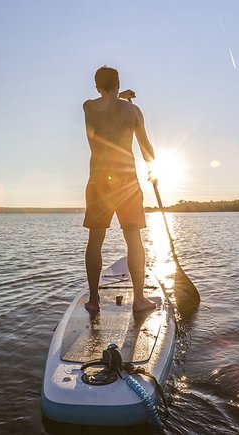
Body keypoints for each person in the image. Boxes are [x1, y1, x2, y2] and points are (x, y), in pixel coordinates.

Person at [82, 66, 157, 314]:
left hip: (98, 182)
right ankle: (139, 300)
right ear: (118, 82)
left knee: (95, 240)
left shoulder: (89, 107)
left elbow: (104, 104)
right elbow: (145, 147)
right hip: (127, 182)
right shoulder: (133, 111)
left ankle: (94, 300)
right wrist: (153, 169)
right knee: (133, 238)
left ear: (97, 87)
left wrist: (117, 96)